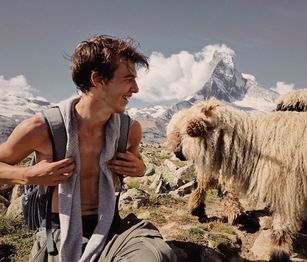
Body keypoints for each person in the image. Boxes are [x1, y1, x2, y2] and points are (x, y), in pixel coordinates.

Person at [0, 35, 176, 262]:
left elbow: (137, 162)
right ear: (98, 79)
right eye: (128, 79)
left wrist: (139, 168)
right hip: (59, 229)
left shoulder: (129, 130)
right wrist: (26, 175)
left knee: (156, 255)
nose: (136, 89)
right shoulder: (42, 128)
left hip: (112, 226)